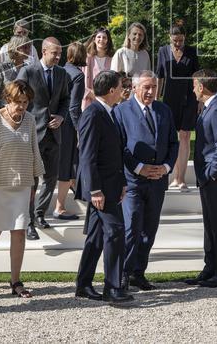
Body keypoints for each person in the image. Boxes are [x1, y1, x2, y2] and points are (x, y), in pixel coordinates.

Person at [0, 80, 44, 298]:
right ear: (7, 100)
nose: (21, 106)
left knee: (19, 232)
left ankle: (16, 281)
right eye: (17, 102)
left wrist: (33, 183)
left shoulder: (30, 120)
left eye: (25, 102)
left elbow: (33, 152)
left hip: (22, 185)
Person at [113, 70, 178, 290]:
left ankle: (138, 273)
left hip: (158, 181)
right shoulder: (121, 111)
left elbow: (173, 143)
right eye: (146, 87)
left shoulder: (164, 110)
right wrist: (140, 168)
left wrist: (166, 167)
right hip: (132, 182)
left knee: (149, 229)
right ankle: (122, 273)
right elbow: (119, 147)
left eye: (154, 87)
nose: (151, 92)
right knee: (131, 228)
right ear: (134, 87)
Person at [74, 70, 132, 303]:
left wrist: (123, 182)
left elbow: (115, 153)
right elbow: (87, 155)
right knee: (116, 231)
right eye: (120, 87)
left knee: (97, 236)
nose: (122, 91)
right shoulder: (93, 114)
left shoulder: (108, 112)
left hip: (111, 184)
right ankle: (113, 286)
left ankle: (84, 284)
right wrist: (94, 190)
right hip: (100, 188)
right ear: (111, 91)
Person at [185, 69, 217, 288]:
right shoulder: (210, 108)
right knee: (210, 225)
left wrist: (212, 174)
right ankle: (211, 267)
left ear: (202, 87)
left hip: (214, 178)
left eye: (194, 85)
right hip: (207, 177)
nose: (193, 89)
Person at [16, 37, 70, 239]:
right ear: (43, 51)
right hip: (31, 133)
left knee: (50, 178)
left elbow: (65, 99)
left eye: (59, 54)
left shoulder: (62, 73)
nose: (57, 57)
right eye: (54, 53)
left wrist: (61, 116)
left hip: (54, 135)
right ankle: (28, 221)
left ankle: (39, 214)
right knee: (31, 180)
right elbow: (15, 98)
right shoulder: (28, 71)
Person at [155, 24, 199, 191]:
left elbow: (196, 76)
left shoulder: (191, 52)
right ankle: (169, 176)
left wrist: (200, 100)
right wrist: (156, 98)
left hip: (188, 98)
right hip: (168, 99)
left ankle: (180, 178)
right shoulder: (162, 51)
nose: (178, 43)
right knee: (169, 137)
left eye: (181, 40)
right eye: (175, 40)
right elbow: (159, 76)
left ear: (185, 38)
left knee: (185, 135)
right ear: (169, 38)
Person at [55, 41, 87, 220]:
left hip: (53, 121)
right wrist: (80, 130)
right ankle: (59, 207)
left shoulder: (60, 70)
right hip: (67, 124)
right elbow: (74, 107)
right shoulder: (78, 76)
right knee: (67, 165)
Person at [0, 35, 32, 115]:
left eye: (29, 47)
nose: (28, 50)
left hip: (24, 114)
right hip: (4, 113)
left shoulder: (30, 69)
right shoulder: (1, 68)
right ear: (16, 48)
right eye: (25, 47)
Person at [83, 27, 115, 109]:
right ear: (94, 39)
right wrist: (90, 94)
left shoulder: (112, 59)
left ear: (108, 40)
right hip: (89, 100)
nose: (101, 39)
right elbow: (80, 80)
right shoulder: (87, 58)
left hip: (107, 101)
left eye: (104, 37)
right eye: (99, 37)